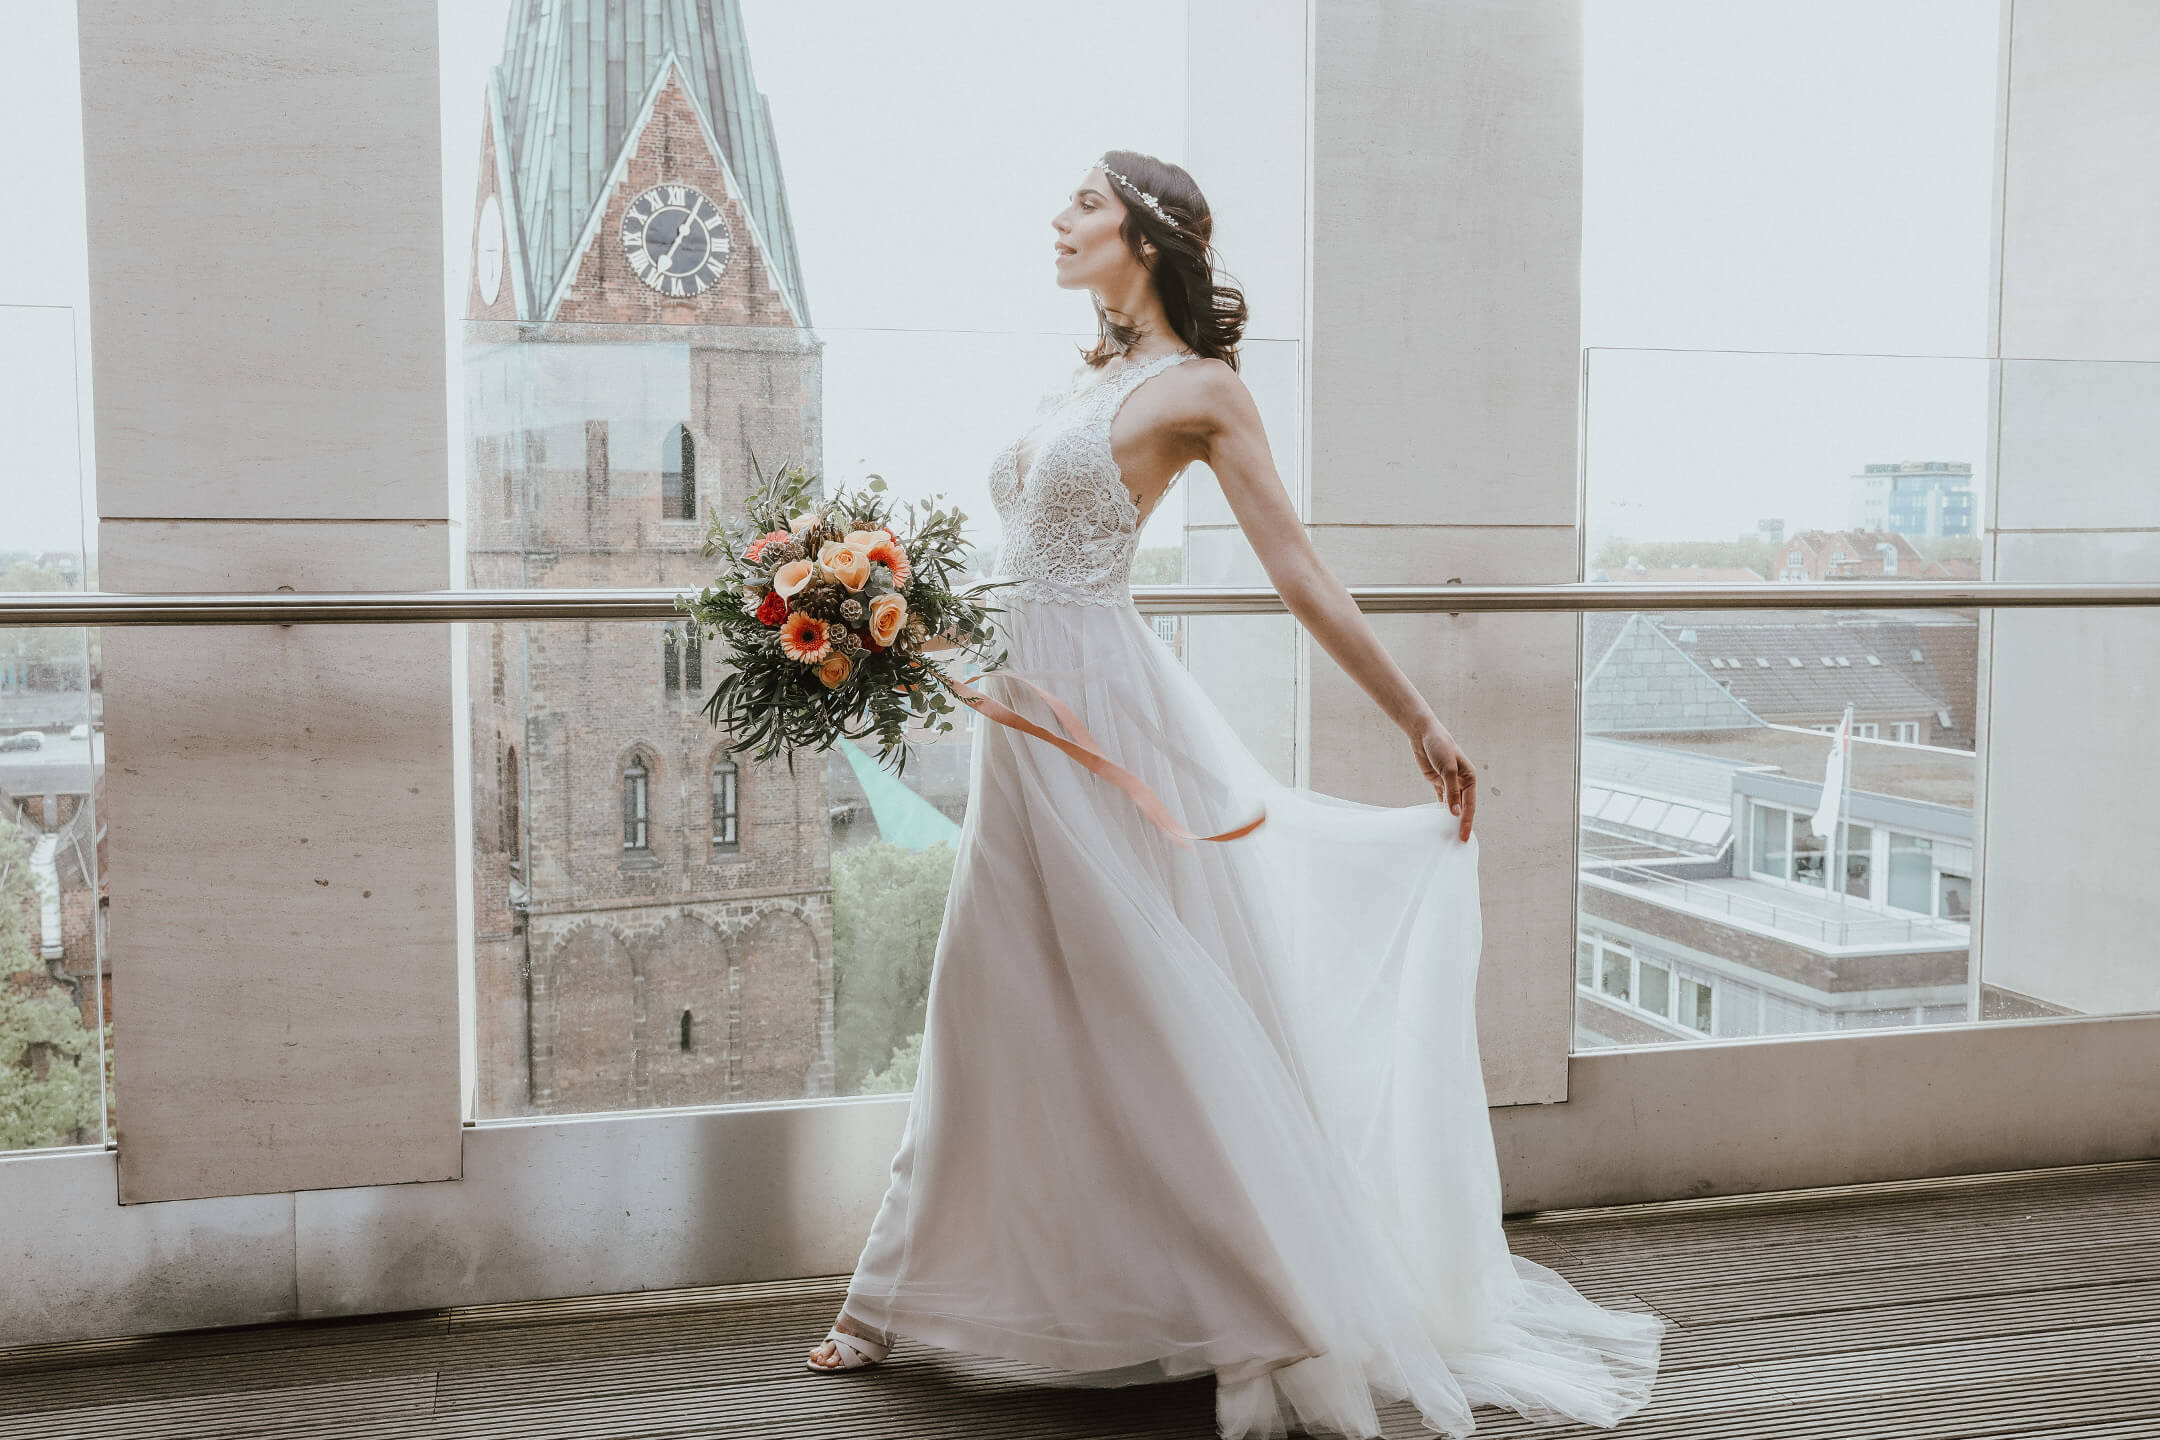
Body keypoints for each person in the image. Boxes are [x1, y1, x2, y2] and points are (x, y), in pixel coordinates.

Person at [804, 150, 1666, 1439]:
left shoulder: (1202, 392)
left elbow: (1298, 571)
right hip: (1021, 708)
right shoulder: (1082, 377)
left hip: (1103, 708)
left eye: (1085, 204)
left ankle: (1267, 1304)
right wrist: (876, 605)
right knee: (991, 989)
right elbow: (1020, 559)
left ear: (1144, 237)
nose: (1060, 219)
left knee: (1150, 1000)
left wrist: (1418, 716)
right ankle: (896, 1297)